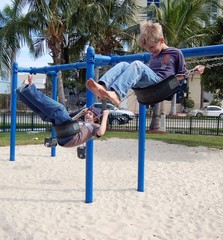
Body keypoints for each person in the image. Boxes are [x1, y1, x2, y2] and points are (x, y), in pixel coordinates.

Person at [86, 21, 205, 106]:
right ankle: (103, 87)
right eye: (147, 48)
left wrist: (195, 70)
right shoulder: (153, 54)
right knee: (123, 64)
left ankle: (116, 94)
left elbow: (182, 74)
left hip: (160, 83)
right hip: (146, 85)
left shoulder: (175, 53)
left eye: (152, 47)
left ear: (161, 40)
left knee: (137, 64)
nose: (150, 51)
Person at [16, 74, 109, 148]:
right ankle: (21, 93)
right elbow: (70, 118)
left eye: (91, 115)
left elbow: (101, 132)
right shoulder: (82, 123)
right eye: (88, 114)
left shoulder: (94, 126)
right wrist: (81, 112)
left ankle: (29, 88)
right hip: (63, 134)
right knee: (45, 113)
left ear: (96, 119)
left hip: (69, 136)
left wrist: (105, 115)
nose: (88, 115)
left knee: (59, 109)